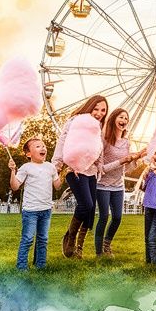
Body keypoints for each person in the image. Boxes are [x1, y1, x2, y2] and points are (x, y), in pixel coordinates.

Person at [52, 95, 107, 259]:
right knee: (86, 204)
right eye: (96, 109)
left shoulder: (98, 126)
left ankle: (78, 248)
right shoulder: (75, 121)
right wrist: (57, 163)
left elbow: (99, 147)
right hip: (73, 168)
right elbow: (63, 140)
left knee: (90, 210)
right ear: (89, 107)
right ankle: (70, 238)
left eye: (103, 110)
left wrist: (99, 166)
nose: (99, 113)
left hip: (90, 170)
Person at [93, 109, 147, 258]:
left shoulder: (126, 143)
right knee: (104, 216)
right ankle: (99, 252)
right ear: (113, 119)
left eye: (126, 118)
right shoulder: (103, 140)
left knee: (117, 217)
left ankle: (107, 244)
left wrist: (137, 158)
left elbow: (128, 169)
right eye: (121, 117)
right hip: (102, 184)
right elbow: (101, 169)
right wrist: (121, 161)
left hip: (118, 185)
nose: (124, 120)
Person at [9, 138, 63, 270]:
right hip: (31, 211)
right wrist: (12, 171)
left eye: (44, 146)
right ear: (28, 154)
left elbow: (57, 186)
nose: (43, 148)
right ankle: (21, 267)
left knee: (43, 239)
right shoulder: (26, 168)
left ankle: (41, 266)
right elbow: (15, 186)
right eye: (38, 146)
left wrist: (63, 172)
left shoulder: (50, 167)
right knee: (27, 239)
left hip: (46, 210)